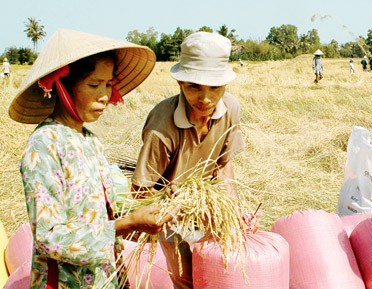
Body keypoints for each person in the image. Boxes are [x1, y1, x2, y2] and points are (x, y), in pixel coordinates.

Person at [8, 28, 173, 289]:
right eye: (94, 85)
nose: (105, 95)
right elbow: (49, 237)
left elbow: (102, 213)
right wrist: (126, 223)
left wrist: (153, 207)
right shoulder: (44, 146)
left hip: (106, 277)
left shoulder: (91, 141)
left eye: (108, 84)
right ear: (62, 87)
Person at [131, 31, 245, 288]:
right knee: (188, 278)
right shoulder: (162, 126)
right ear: (180, 83)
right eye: (194, 86)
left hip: (211, 205)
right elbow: (141, 189)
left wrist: (233, 209)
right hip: (171, 211)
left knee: (221, 270)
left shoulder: (231, 109)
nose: (205, 98)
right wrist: (170, 211)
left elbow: (223, 165)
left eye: (214, 88)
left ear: (225, 85)